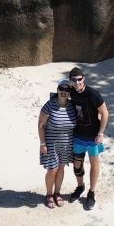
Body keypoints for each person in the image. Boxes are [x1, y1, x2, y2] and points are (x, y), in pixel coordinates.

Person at [68, 66, 108, 210]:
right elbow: (59, 95)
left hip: (93, 137)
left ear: (83, 79)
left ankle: (91, 193)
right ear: (70, 81)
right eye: (74, 80)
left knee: (94, 163)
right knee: (77, 164)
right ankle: (80, 187)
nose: (77, 82)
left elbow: (105, 113)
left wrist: (101, 133)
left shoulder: (93, 93)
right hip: (77, 135)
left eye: (80, 79)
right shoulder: (70, 92)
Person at [38, 80, 77, 208]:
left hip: (66, 144)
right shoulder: (49, 105)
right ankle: (49, 194)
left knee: (61, 168)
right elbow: (41, 125)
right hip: (51, 144)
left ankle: (57, 193)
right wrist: (42, 143)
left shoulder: (72, 106)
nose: (64, 91)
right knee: (52, 169)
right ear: (57, 89)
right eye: (61, 88)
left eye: (67, 90)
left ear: (70, 92)